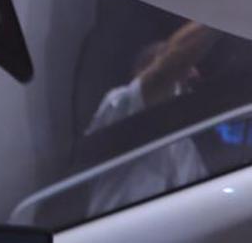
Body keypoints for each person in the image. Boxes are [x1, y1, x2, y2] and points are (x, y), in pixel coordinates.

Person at [84, 22, 218, 217]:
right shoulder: (120, 107)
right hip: (117, 231)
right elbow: (165, 71)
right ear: (143, 72)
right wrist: (222, 17)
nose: (194, 73)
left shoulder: (185, 147)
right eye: (184, 70)